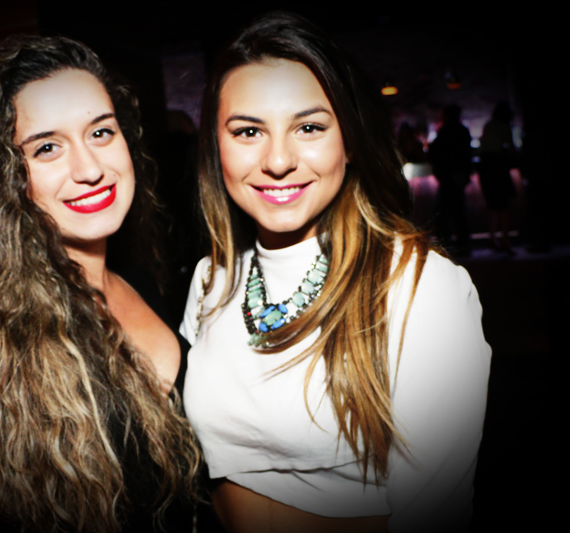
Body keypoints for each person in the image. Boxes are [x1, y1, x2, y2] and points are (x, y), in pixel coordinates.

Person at [180, 12, 491, 532]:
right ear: (217, 147)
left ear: (349, 142)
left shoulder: (419, 285)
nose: (278, 160)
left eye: (309, 127)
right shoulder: (212, 278)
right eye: (249, 131)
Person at [0, 35, 200, 533]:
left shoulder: (142, 281)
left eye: (101, 132)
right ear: (4, 177)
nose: (90, 169)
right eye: (47, 147)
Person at [428, 104, 473, 255]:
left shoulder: (445, 131)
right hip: (458, 177)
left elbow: (434, 152)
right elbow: (467, 154)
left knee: (442, 213)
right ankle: (462, 246)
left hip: (448, 177)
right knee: (458, 213)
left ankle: (447, 246)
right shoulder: (462, 131)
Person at [478, 101, 517, 255]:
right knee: (503, 206)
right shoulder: (504, 127)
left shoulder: (489, 125)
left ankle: (492, 238)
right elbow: (512, 148)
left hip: (485, 166)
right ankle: (506, 241)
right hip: (498, 166)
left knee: (492, 205)